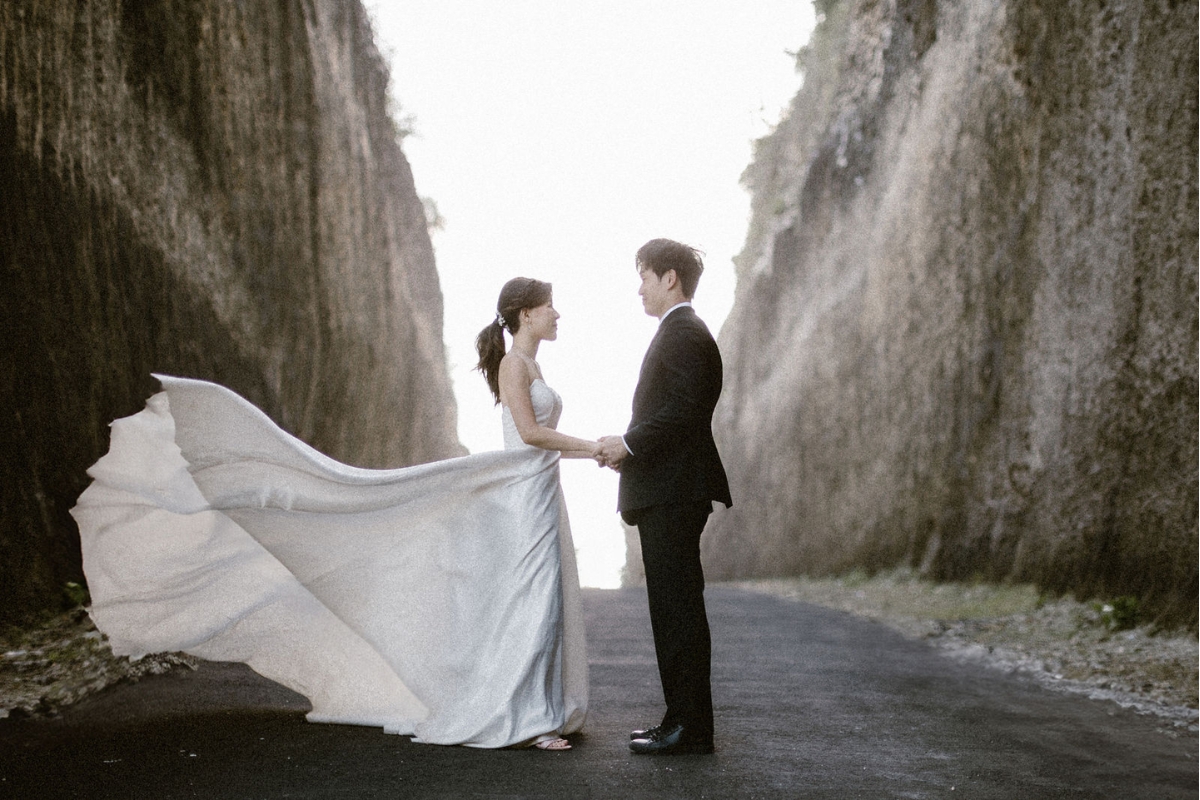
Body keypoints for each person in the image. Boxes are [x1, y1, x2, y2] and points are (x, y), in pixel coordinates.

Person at [71, 277, 594, 751]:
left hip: (540, 490)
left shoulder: (533, 365)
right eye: (551, 306)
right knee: (533, 598)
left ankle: (540, 708)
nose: (557, 315)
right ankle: (529, 717)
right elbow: (528, 436)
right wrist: (596, 447)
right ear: (526, 313)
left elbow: (537, 444)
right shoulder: (513, 365)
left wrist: (593, 454)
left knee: (542, 597)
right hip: (524, 494)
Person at [597, 238, 732, 756]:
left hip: (674, 491)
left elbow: (681, 411)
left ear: (669, 277)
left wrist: (626, 444)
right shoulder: (681, 333)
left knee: (677, 611)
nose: (640, 288)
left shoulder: (684, 334)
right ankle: (681, 720)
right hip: (671, 490)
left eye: (645, 277)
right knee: (672, 610)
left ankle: (689, 728)